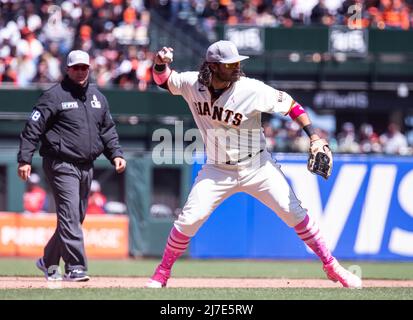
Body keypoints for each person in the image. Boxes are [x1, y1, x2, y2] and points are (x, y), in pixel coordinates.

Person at [146, 40, 362, 289]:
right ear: (213, 66)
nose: (237, 66)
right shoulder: (192, 83)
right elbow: (164, 80)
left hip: (258, 167)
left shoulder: (251, 89)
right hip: (217, 169)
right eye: (230, 64)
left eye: (238, 62)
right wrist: (159, 64)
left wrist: (313, 136)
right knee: (188, 221)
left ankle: (333, 267)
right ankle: (162, 273)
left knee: (295, 214)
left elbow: (292, 106)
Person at [17, 50, 126, 282]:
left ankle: (48, 260)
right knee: (69, 216)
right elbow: (33, 127)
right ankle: (75, 267)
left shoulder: (98, 97)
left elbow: (107, 130)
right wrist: (25, 159)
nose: (80, 71)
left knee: (75, 217)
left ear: (89, 68)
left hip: (86, 165)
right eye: (76, 67)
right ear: (68, 69)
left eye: (84, 67)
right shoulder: (54, 96)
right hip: (61, 163)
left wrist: (116, 154)